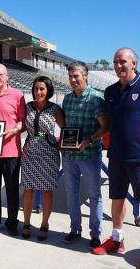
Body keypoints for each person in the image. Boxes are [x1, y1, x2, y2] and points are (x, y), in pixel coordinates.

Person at [92, 48, 140, 269]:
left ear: (134, 63)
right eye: (115, 62)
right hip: (116, 155)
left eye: (122, 61)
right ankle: (117, 239)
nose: (118, 65)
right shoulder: (111, 91)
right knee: (116, 199)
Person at [61, 61, 108, 248]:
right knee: (71, 193)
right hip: (70, 156)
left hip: (89, 155)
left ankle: (95, 234)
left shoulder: (96, 99)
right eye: (70, 76)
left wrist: (89, 140)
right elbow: (65, 125)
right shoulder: (67, 99)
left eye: (76, 76)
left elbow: (106, 127)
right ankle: (75, 229)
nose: (73, 80)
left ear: (85, 76)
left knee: (94, 194)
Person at [0, 63, 26, 236]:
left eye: (0, 74)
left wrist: (15, 129)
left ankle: (12, 222)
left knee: (12, 190)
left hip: (12, 152)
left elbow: (23, 122)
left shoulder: (17, 95)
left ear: (7, 76)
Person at [20, 76, 64, 241]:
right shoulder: (28, 107)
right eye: (36, 89)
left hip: (49, 154)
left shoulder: (55, 109)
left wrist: (66, 146)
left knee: (47, 190)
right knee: (28, 189)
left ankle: (45, 223)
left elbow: (65, 130)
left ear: (48, 91)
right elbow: (22, 125)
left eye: (42, 89)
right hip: (30, 153)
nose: (38, 92)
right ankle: (26, 222)